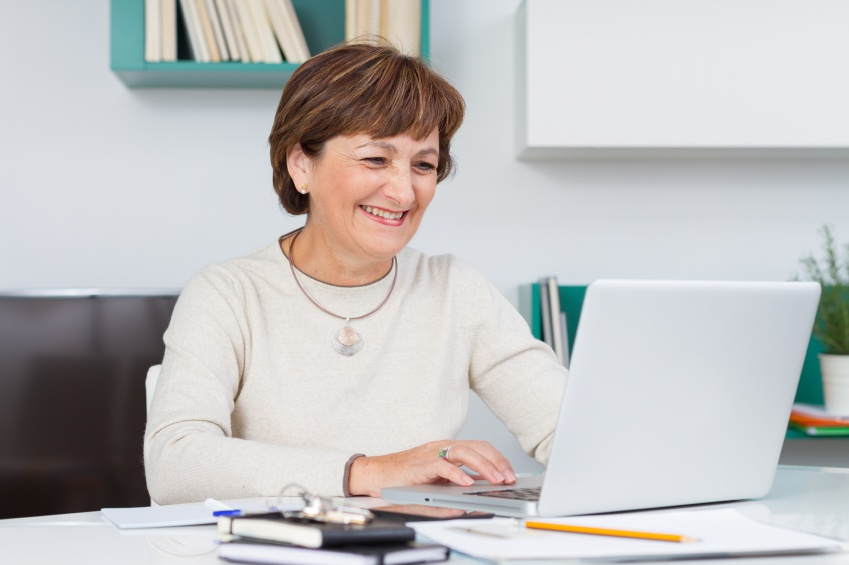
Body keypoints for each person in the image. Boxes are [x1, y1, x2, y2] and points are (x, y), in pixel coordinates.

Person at [144, 41, 567, 505]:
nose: (404, 192)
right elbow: (175, 464)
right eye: (375, 159)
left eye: (423, 165)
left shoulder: (454, 289)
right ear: (301, 165)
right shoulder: (228, 294)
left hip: (422, 541)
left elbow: (571, 429)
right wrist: (370, 472)